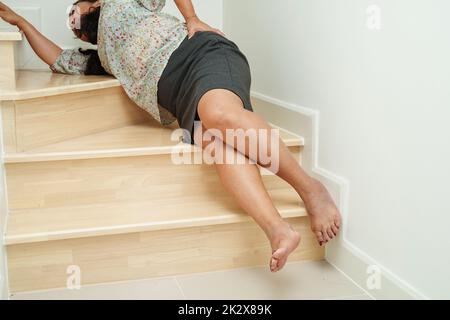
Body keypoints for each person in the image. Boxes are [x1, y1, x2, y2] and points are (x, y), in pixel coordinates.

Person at [0, 0, 341, 272]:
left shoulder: (125, 3)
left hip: (202, 55)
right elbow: (57, 58)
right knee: (215, 142)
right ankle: (277, 229)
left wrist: (191, 16)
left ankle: (312, 190)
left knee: (218, 115)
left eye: (77, 9)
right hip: (182, 97)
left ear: (94, 3)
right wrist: (21, 22)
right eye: (74, 29)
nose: (73, 21)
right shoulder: (103, 58)